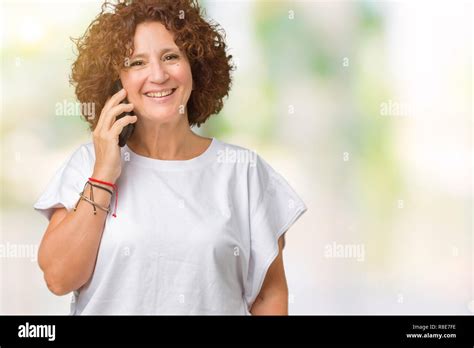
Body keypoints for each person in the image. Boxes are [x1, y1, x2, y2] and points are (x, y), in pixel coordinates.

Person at [34, 0, 307, 315]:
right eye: (137, 62)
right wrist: (103, 175)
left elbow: (268, 296)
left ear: (195, 67)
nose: (158, 75)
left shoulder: (242, 172)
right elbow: (58, 278)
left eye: (170, 57)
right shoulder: (87, 164)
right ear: (116, 80)